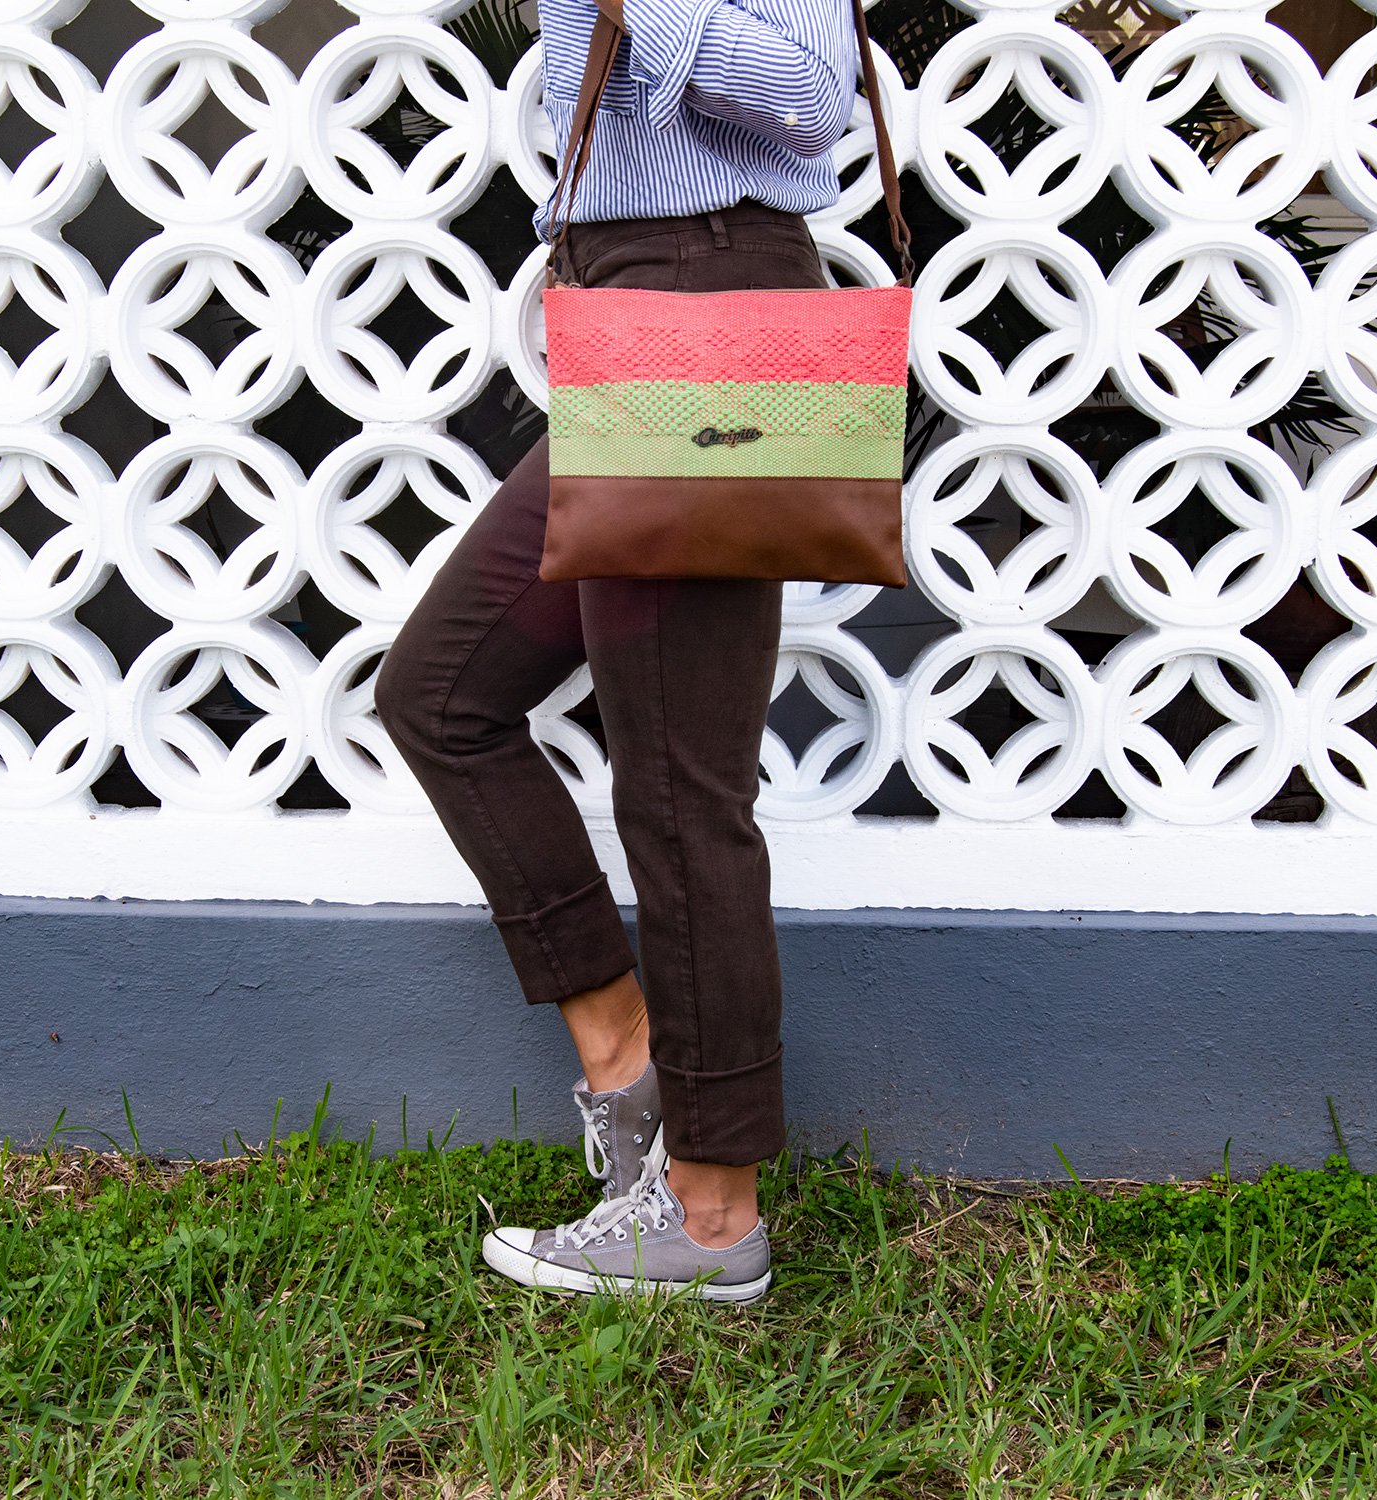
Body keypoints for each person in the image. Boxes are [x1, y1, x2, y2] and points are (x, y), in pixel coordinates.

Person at [374, 0, 859, 1301]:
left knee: (682, 787)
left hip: (720, 316)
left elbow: (824, 94)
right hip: (628, 317)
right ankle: (626, 1060)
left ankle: (710, 1221)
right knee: (443, 694)